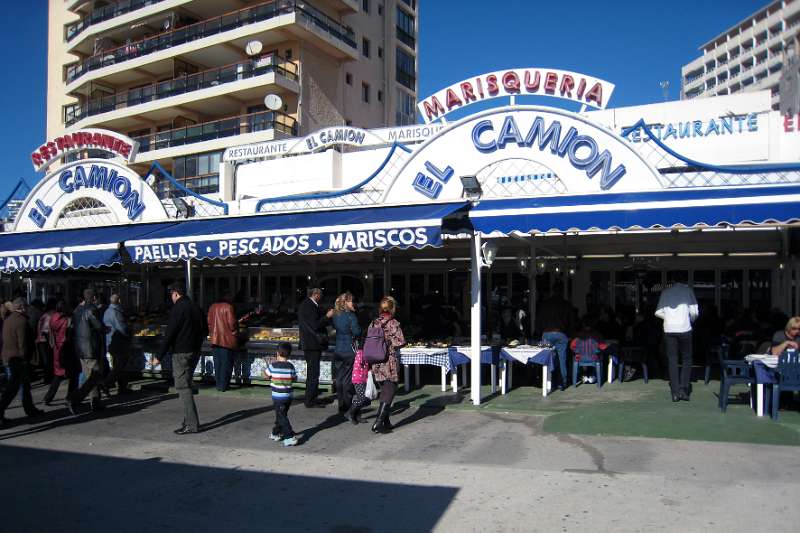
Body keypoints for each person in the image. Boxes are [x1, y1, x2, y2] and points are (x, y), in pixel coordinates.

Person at [155, 282, 205, 435]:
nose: (171, 297)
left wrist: (159, 356)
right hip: (194, 351)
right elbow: (205, 328)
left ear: (175, 293)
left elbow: (170, 333)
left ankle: (191, 424)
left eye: (171, 294)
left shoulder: (178, 308)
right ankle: (188, 419)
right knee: (187, 384)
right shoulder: (195, 307)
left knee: (183, 388)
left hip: (181, 352)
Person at [0, 298, 44, 427]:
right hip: (17, 359)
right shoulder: (21, 321)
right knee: (12, 389)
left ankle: (30, 408)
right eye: (25, 306)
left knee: (24, 386)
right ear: (22, 307)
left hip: (8, 357)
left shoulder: (8, 320)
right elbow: (22, 343)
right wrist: (25, 359)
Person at [655, 274, 699, 402]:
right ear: (684, 280)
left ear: (673, 280)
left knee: (672, 360)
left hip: (669, 329)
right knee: (687, 358)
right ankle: (684, 390)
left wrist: (668, 318)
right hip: (685, 328)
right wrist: (689, 320)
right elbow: (695, 312)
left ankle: (674, 392)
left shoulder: (666, 292)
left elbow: (657, 312)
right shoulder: (688, 291)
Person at [369, 296, 406, 434]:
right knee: (390, 390)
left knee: (384, 390)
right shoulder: (393, 323)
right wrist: (390, 343)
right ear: (392, 309)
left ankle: (386, 421)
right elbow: (401, 341)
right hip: (389, 361)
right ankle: (378, 422)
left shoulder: (373, 323)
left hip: (376, 361)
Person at [67, 289, 107, 414]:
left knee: (91, 376)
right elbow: (99, 326)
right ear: (94, 297)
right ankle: (74, 398)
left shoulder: (77, 310)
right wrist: (106, 329)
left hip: (81, 349)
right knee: (94, 376)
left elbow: (72, 329)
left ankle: (95, 402)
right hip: (90, 348)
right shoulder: (92, 310)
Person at [297, 287, 333, 408]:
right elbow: (315, 324)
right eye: (320, 294)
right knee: (313, 373)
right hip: (312, 344)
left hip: (309, 343)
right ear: (315, 294)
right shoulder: (309, 306)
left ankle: (312, 397)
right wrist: (327, 316)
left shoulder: (306, 305)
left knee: (312, 372)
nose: (321, 297)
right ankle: (310, 400)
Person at [537, 283, 574, 391]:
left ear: (552, 291)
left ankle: (548, 381)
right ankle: (563, 382)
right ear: (562, 292)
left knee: (548, 358)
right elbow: (571, 321)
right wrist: (570, 334)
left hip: (547, 333)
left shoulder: (545, 304)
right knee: (562, 359)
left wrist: (539, 332)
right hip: (561, 333)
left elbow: (539, 320)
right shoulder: (566, 304)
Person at [43, 300, 78, 405]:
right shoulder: (67, 320)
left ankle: (48, 397)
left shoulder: (53, 318)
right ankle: (71, 396)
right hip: (67, 348)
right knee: (74, 374)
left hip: (57, 348)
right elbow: (72, 334)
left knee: (58, 374)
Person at [332, 292, 361, 416]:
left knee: (339, 378)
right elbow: (357, 331)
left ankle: (341, 405)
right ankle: (347, 405)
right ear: (345, 303)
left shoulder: (336, 315)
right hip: (349, 349)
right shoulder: (351, 316)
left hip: (338, 348)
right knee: (347, 379)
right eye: (350, 301)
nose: (352, 303)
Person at [264, 342, 298, 447]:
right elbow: (294, 378)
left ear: (277, 353)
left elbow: (266, 376)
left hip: (278, 397)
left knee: (281, 416)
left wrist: (266, 371)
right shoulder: (290, 366)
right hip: (288, 396)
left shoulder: (273, 366)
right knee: (281, 415)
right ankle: (276, 433)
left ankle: (289, 436)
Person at [207, 293, 237, 392]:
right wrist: (235, 331)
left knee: (218, 364)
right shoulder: (228, 307)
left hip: (215, 339)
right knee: (226, 364)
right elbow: (232, 324)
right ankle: (224, 385)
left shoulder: (212, 307)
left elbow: (209, 322)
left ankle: (219, 384)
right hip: (226, 340)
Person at [103, 294, 132, 395]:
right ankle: (106, 384)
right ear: (119, 301)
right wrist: (130, 331)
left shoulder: (107, 311)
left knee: (118, 365)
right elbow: (122, 328)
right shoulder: (116, 312)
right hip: (118, 343)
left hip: (110, 342)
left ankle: (122, 387)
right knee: (120, 365)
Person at [347, 341, 370, 424]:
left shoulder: (362, 353)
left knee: (361, 398)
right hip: (358, 379)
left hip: (362, 378)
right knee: (362, 399)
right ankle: (350, 413)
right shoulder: (360, 354)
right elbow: (362, 363)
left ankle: (357, 416)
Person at [36, 299, 56, 385]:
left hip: (41, 339)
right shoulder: (50, 315)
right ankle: (49, 377)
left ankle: (47, 376)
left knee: (46, 360)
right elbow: (48, 329)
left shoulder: (44, 315)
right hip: (46, 339)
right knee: (48, 359)